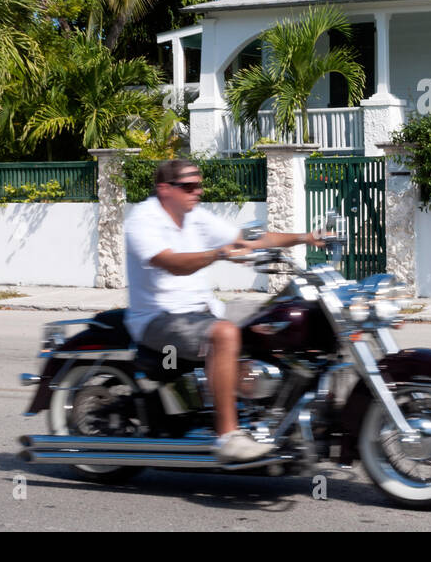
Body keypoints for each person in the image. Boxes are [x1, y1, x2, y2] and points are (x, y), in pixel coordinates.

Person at [124, 159, 327, 463]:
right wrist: (217, 253)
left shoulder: (194, 216)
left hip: (203, 310)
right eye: (189, 186)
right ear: (164, 189)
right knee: (225, 334)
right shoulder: (144, 219)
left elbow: (249, 240)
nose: (198, 192)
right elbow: (173, 263)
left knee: (272, 322)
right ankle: (228, 437)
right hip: (159, 318)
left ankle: (274, 411)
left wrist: (306, 238)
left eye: (199, 185)